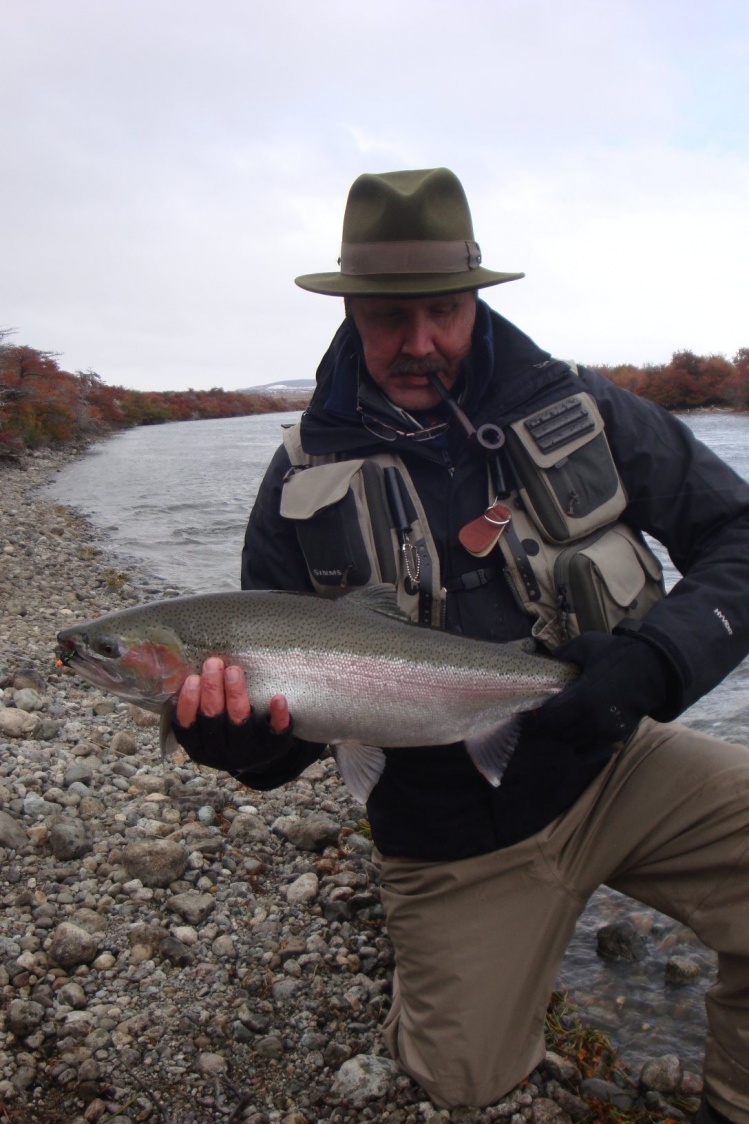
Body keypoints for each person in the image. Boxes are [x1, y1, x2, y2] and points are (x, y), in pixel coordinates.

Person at [173, 168, 749, 1122]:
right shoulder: (298, 477)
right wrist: (239, 746)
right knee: (464, 1083)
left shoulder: (582, 410)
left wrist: (655, 661)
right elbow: (285, 732)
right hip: (448, 832)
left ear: (474, 299)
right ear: (350, 310)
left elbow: (739, 536)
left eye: (441, 311)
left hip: (613, 761)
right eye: (389, 318)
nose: (419, 342)